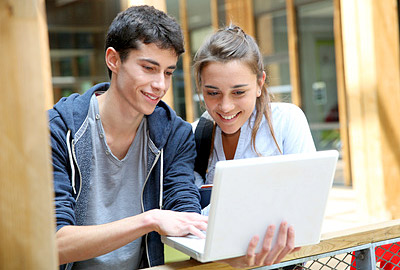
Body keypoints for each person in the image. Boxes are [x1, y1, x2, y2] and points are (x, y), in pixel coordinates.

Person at [49, 5, 208, 269]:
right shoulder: (58, 131)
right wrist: (149, 219)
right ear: (113, 60)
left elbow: (185, 211)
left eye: (168, 72)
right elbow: (54, 244)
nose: (161, 85)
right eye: (148, 68)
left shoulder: (174, 135)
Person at [192, 25, 316, 268]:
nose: (225, 106)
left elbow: (308, 205)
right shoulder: (195, 134)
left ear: (260, 83)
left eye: (238, 92)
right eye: (213, 92)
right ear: (200, 87)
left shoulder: (286, 121)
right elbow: (187, 217)